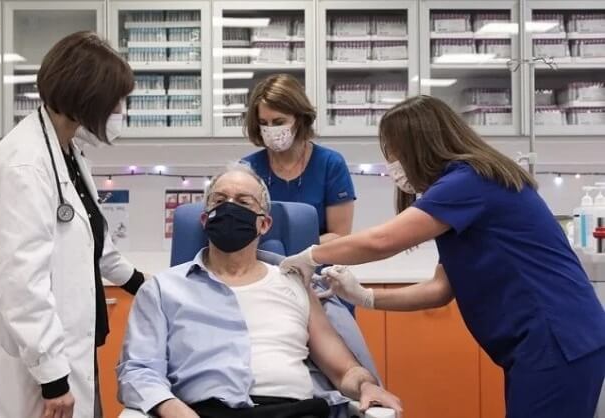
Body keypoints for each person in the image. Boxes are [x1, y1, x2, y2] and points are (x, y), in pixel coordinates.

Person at [280, 95, 605, 418]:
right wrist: (364, 296)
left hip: (557, 339)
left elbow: (383, 240)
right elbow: (439, 289)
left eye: (394, 153)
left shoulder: (468, 182)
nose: (392, 165)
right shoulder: (466, 189)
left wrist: (310, 255)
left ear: (418, 147)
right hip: (551, 342)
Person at [0, 32, 149, 418]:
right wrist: (53, 379)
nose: (120, 110)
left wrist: (141, 284)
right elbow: (23, 281)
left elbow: (92, 242)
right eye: (117, 100)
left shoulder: (67, 151)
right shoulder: (26, 163)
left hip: (65, 350)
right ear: (87, 98)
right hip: (30, 366)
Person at [117, 163, 402, 418]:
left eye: (243, 202)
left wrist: (365, 386)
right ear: (205, 220)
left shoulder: (294, 283)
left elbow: (344, 370)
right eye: (219, 200)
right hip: (204, 411)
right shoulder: (162, 289)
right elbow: (138, 371)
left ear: (264, 224)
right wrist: (173, 409)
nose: (229, 208)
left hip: (294, 410)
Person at [242, 74, 355, 244]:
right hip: (263, 259)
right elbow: (240, 232)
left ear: (300, 119)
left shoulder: (330, 165)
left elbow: (340, 235)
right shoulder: (247, 169)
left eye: (279, 122)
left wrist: (295, 251)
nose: (270, 129)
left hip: (316, 258)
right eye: (263, 123)